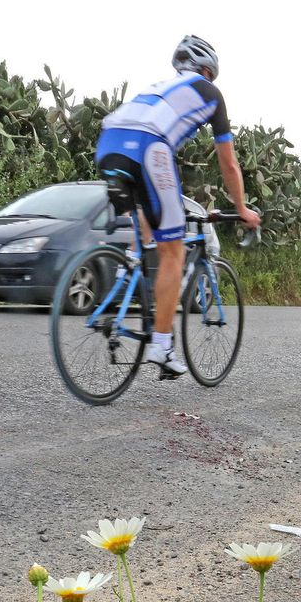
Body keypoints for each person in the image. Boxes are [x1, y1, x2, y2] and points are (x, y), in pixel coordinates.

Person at [95, 35, 262, 377]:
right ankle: (161, 345)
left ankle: (128, 268)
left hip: (110, 143)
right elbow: (228, 164)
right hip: (149, 146)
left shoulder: (159, 89)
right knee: (174, 251)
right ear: (206, 70)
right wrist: (243, 209)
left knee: (147, 227)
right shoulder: (210, 93)